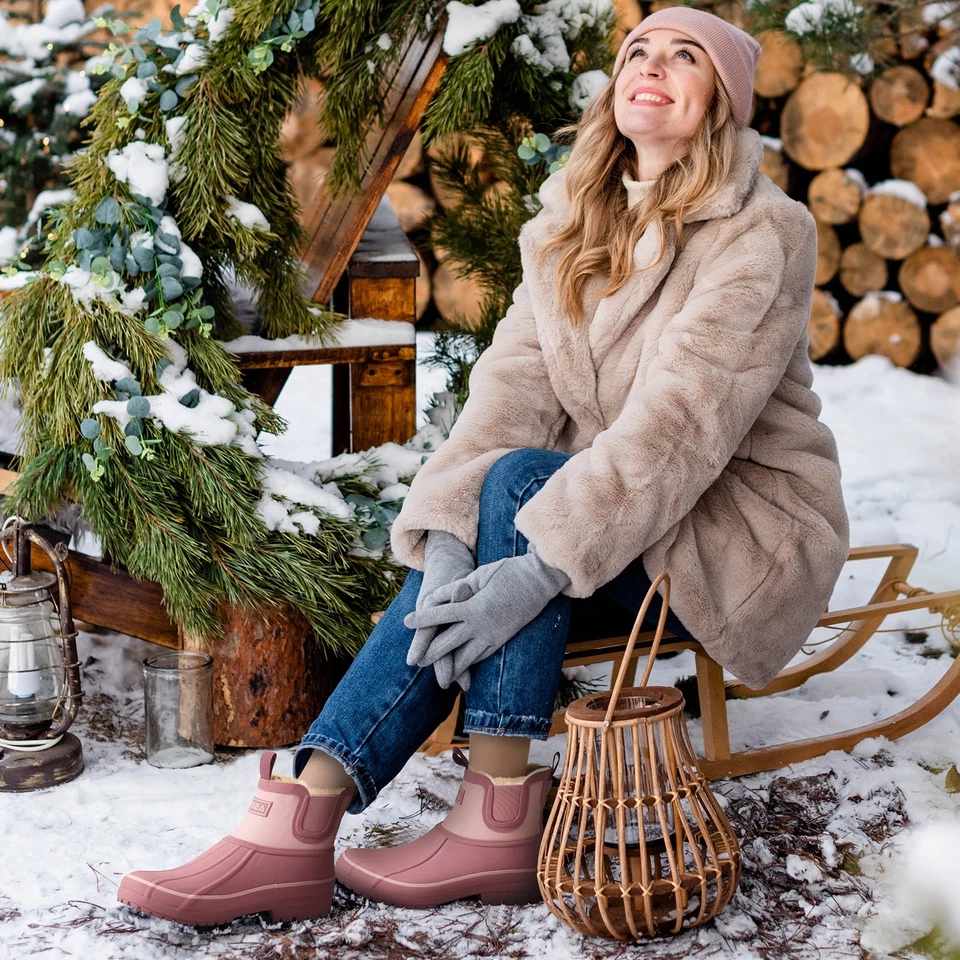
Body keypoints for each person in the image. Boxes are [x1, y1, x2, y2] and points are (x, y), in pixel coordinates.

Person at [117, 6, 849, 927]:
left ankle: (398, 820)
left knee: (526, 491)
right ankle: (327, 818)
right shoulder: (569, 223)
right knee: (500, 494)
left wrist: (536, 567)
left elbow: (680, 430)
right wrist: (452, 547)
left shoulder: (761, 233)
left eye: (686, 57)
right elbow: (507, 395)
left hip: (735, 529)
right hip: (615, 517)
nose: (651, 67)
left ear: (721, 103)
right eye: (637, 53)